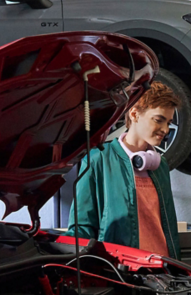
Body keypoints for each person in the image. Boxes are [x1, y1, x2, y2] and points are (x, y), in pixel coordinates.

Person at [67, 81, 181, 258]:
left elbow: (168, 227)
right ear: (135, 114)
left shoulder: (160, 165)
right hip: (120, 271)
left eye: (169, 122)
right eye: (159, 120)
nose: (165, 129)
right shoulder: (98, 159)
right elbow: (82, 227)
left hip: (163, 271)